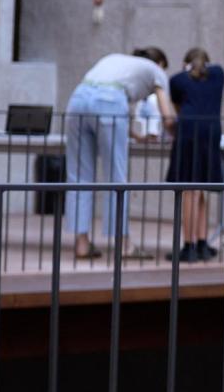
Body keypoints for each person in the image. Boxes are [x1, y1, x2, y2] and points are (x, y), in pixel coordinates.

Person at [65, 48, 176, 259]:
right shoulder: (156, 71)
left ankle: (81, 243)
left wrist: (136, 136)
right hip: (110, 101)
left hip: (77, 100)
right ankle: (123, 244)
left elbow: (98, 102)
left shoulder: (114, 59)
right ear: (160, 63)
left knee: (78, 176)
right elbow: (167, 118)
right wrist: (176, 133)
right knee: (116, 176)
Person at [165, 47, 224, 263]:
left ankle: (188, 246)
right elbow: (211, 70)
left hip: (189, 131)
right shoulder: (218, 75)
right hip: (211, 131)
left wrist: (188, 70)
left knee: (189, 190)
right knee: (200, 189)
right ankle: (202, 243)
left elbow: (177, 106)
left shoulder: (178, 80)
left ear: (185, 64)